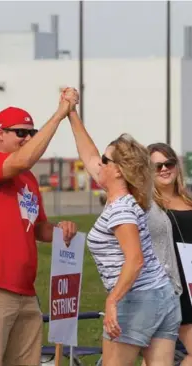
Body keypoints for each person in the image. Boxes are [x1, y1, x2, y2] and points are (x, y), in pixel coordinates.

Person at [0, 90, 79, 365]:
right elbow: (24, 159)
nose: (27, 138)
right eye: (20, 132)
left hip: (25, 292)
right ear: (0, 133)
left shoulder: (28, 179)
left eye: (31, 132)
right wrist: (60, 114)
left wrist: (63, 231)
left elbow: (38, 229)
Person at [66, 91, 181, 366]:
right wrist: (70, 113)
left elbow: (135, 260)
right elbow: (89, 153)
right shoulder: (130, 198)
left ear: (118, 170)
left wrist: (112, 301)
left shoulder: (120, 209)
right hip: (163, 298)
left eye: (106, 161)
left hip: (137, 299)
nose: (98, 165)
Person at [145, 142, 192, 365]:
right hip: (170, 286)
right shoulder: (147, 205)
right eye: (157, 166)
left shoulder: (189, 200)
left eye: (168, 163)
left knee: (157, 358)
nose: (164, 169)